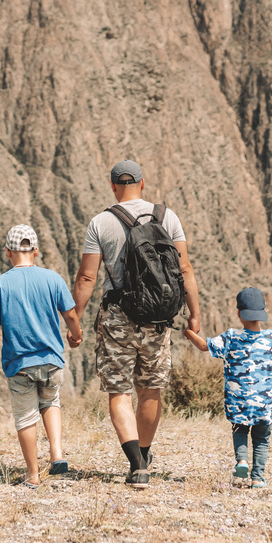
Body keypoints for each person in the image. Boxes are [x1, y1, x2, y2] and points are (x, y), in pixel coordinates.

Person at [72, 159, 201, 489]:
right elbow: (184, 269)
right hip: (158, 319)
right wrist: (194, 314)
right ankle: (144, 454)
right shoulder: (166, 216)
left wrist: (72, 319)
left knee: (119, 392)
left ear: (113, 186)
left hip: (118, 317)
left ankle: (137, 464)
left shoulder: (101, 222)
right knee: (150, 390)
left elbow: (87, 276)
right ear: (143, 184)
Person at [0, 224, 84, 488]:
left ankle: (33, 475)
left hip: (19, 364)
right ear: (36, 251)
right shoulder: (53, 279)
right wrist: (76, 334)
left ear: (8, 252)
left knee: (25, 416)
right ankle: (57, 454)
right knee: (51, 402)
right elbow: (70, 314)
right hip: (51, 361)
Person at [183, 287, 272, 488]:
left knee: (240, 430)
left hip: (238, 402)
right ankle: (258, 478)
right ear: (261, 313)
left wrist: (189, 332)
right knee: (261, 439)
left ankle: (242, 461)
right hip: (263, 404)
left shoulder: (231, 337)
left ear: (238, 314)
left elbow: (203, 346)